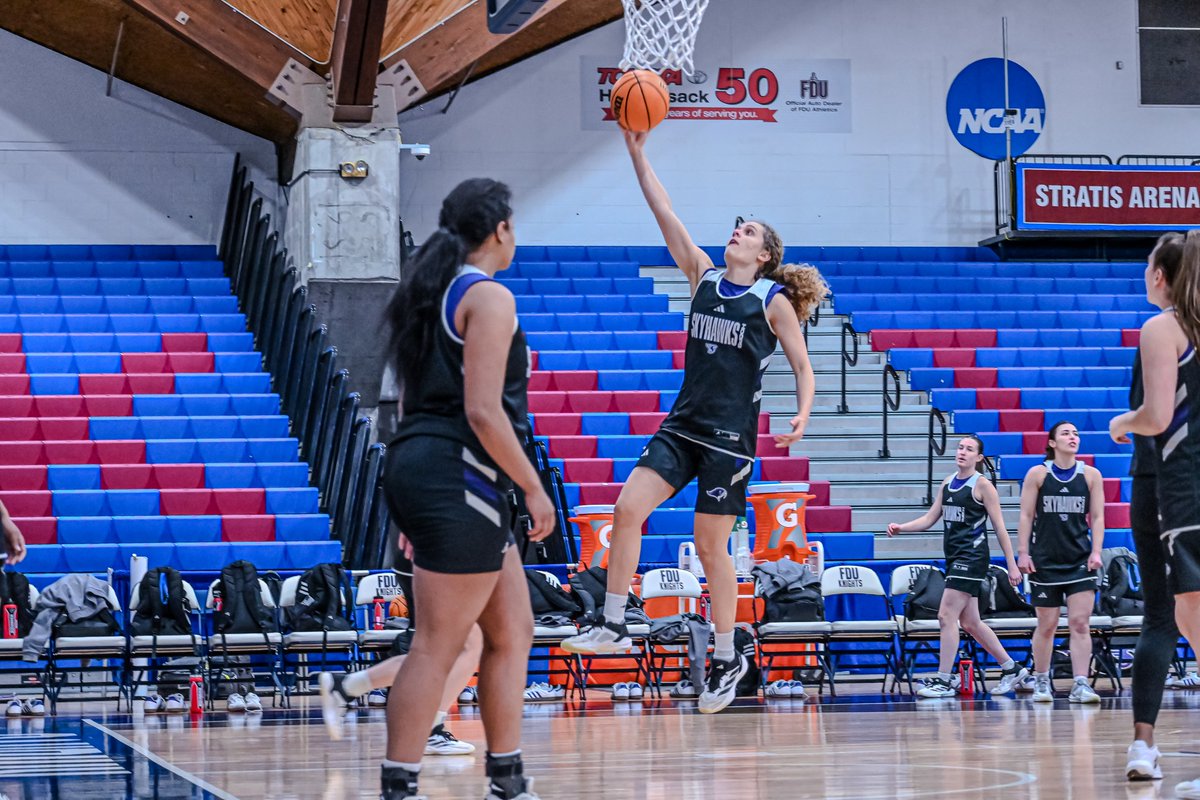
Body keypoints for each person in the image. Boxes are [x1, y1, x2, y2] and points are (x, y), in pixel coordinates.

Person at [561, 130, 824, 715]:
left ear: (763, 256)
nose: (739, 230)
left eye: (750, 231)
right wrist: (636, 152)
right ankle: (613, 621)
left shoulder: (771, 300)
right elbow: (663, 209)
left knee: (712, 550)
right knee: (627, 509)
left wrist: (803, 413)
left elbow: (803, 366)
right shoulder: (702, 276)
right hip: (681, 427)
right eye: (739, 225)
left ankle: (729, 656)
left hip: (730, 442)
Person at [372, 178, 554, 800]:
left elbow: (406, 399)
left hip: (427, 467)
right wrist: (534, 488)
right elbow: (482, 410)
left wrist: (420, 503)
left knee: (511, 631)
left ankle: (508, 777)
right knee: (439, 644)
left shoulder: (432, 292)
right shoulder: (488, 296)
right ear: (500, 229)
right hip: (459, 472)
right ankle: (398, 785)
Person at [1109, 230, 1200, 796]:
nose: (1144, 273)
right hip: (1176, 483)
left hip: (1178, 485)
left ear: (1161, 276)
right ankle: (1144, 742)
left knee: (1178, 616)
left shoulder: (1161, 329)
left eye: (1148, 265)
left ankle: (1143, 741)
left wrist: (1121, 423)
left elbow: (1158, 416)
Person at [886, 436, 1027, 698]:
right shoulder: (948, 483)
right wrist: (901, 527)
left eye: (969, 449)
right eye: (961, 447)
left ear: (979, 458)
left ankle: (944, 680)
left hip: (972, 559)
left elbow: (1000, 528)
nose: (962, 452)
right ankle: (1011, 668)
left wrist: (1013, 564)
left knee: (945, 616)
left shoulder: (983, 486)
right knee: (971, 622)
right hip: (954, 558)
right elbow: (929, 519)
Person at [317, 554, 481, 755]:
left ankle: (346, 686)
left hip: (429, 561)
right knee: (467, 644)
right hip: (434, 560)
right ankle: (430, 729)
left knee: (436, 653)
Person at [1015, 420, 1105, 704]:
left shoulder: (1091, 475)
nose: (1073, 437)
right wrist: (1023, 552)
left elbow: (1098, 517)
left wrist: (1097, 551)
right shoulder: (1038, 474)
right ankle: (1042, 679)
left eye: (1076, 433)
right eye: (1066, 433)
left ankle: (1080, 683)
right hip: (1045, 560)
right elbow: (1026, 516)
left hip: (1079, 558)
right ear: (1052, 442)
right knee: (1047, 624)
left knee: (1080, 622)